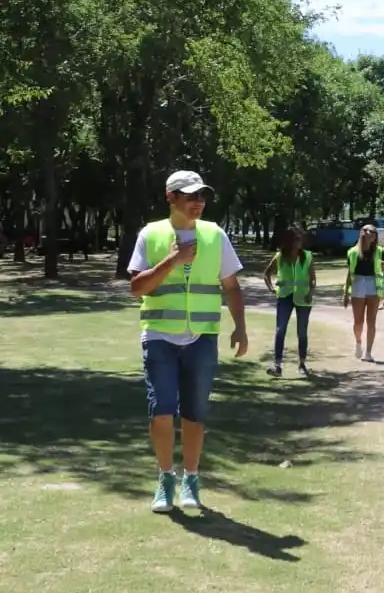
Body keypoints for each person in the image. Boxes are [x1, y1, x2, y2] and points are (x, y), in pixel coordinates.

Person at [128, 170, 249, 513]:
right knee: (161, 412)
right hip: (160, 338)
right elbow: (137, 289)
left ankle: (190, 479)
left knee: (194, 414)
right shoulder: (150, 235)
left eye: (202, 196)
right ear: (171, 197)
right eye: (191, 196)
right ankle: (166, 477)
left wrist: (240, 326)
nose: (199, 202)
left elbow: (231, 287)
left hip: (201, 338)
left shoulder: (215, 235)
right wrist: (173, 260)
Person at [262, 226, 316, 377]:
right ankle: (277, 365)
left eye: (300, 239)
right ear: (289, 241)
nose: (299, 242)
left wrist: (311, 293)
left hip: (303, 298)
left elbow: (312, 279)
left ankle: (302, 364)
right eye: (296, 239)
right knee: (280, 330)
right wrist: (271, 288)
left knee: (302, 332)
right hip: (285, 297)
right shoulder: (280, 256)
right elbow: (266, 274)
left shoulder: (307, 256)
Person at [343, 224, 384, 361]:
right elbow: (350, 273)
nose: (371, 234)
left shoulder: (378, 250)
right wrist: (345, 293)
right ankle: (358, 341)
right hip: (358, 284)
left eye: (374, 232)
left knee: (371, 321)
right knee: (358, 321)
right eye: (369, 231)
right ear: (362, 233)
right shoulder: (352, 252)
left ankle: (368, 352)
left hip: (373, 285)